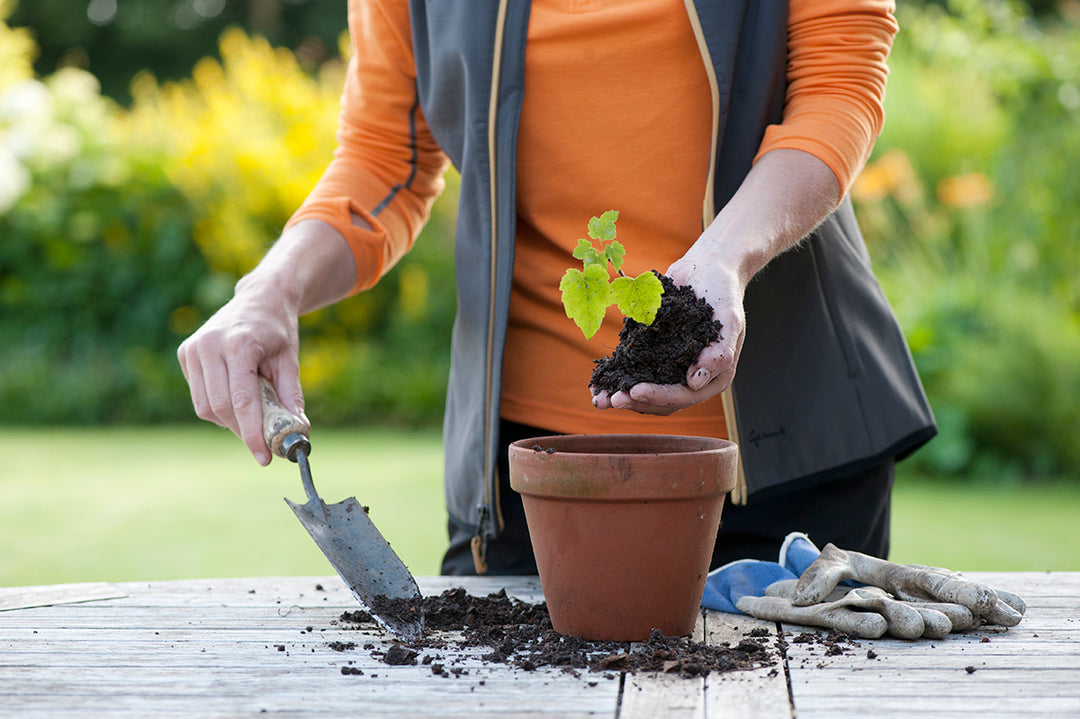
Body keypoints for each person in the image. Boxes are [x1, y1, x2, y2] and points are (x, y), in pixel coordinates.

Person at [177, 0, 936, 576]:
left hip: (786, 463)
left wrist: (726, 260)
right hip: (530, 485)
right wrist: (268, 290)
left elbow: (839, 88)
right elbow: (386, 158)